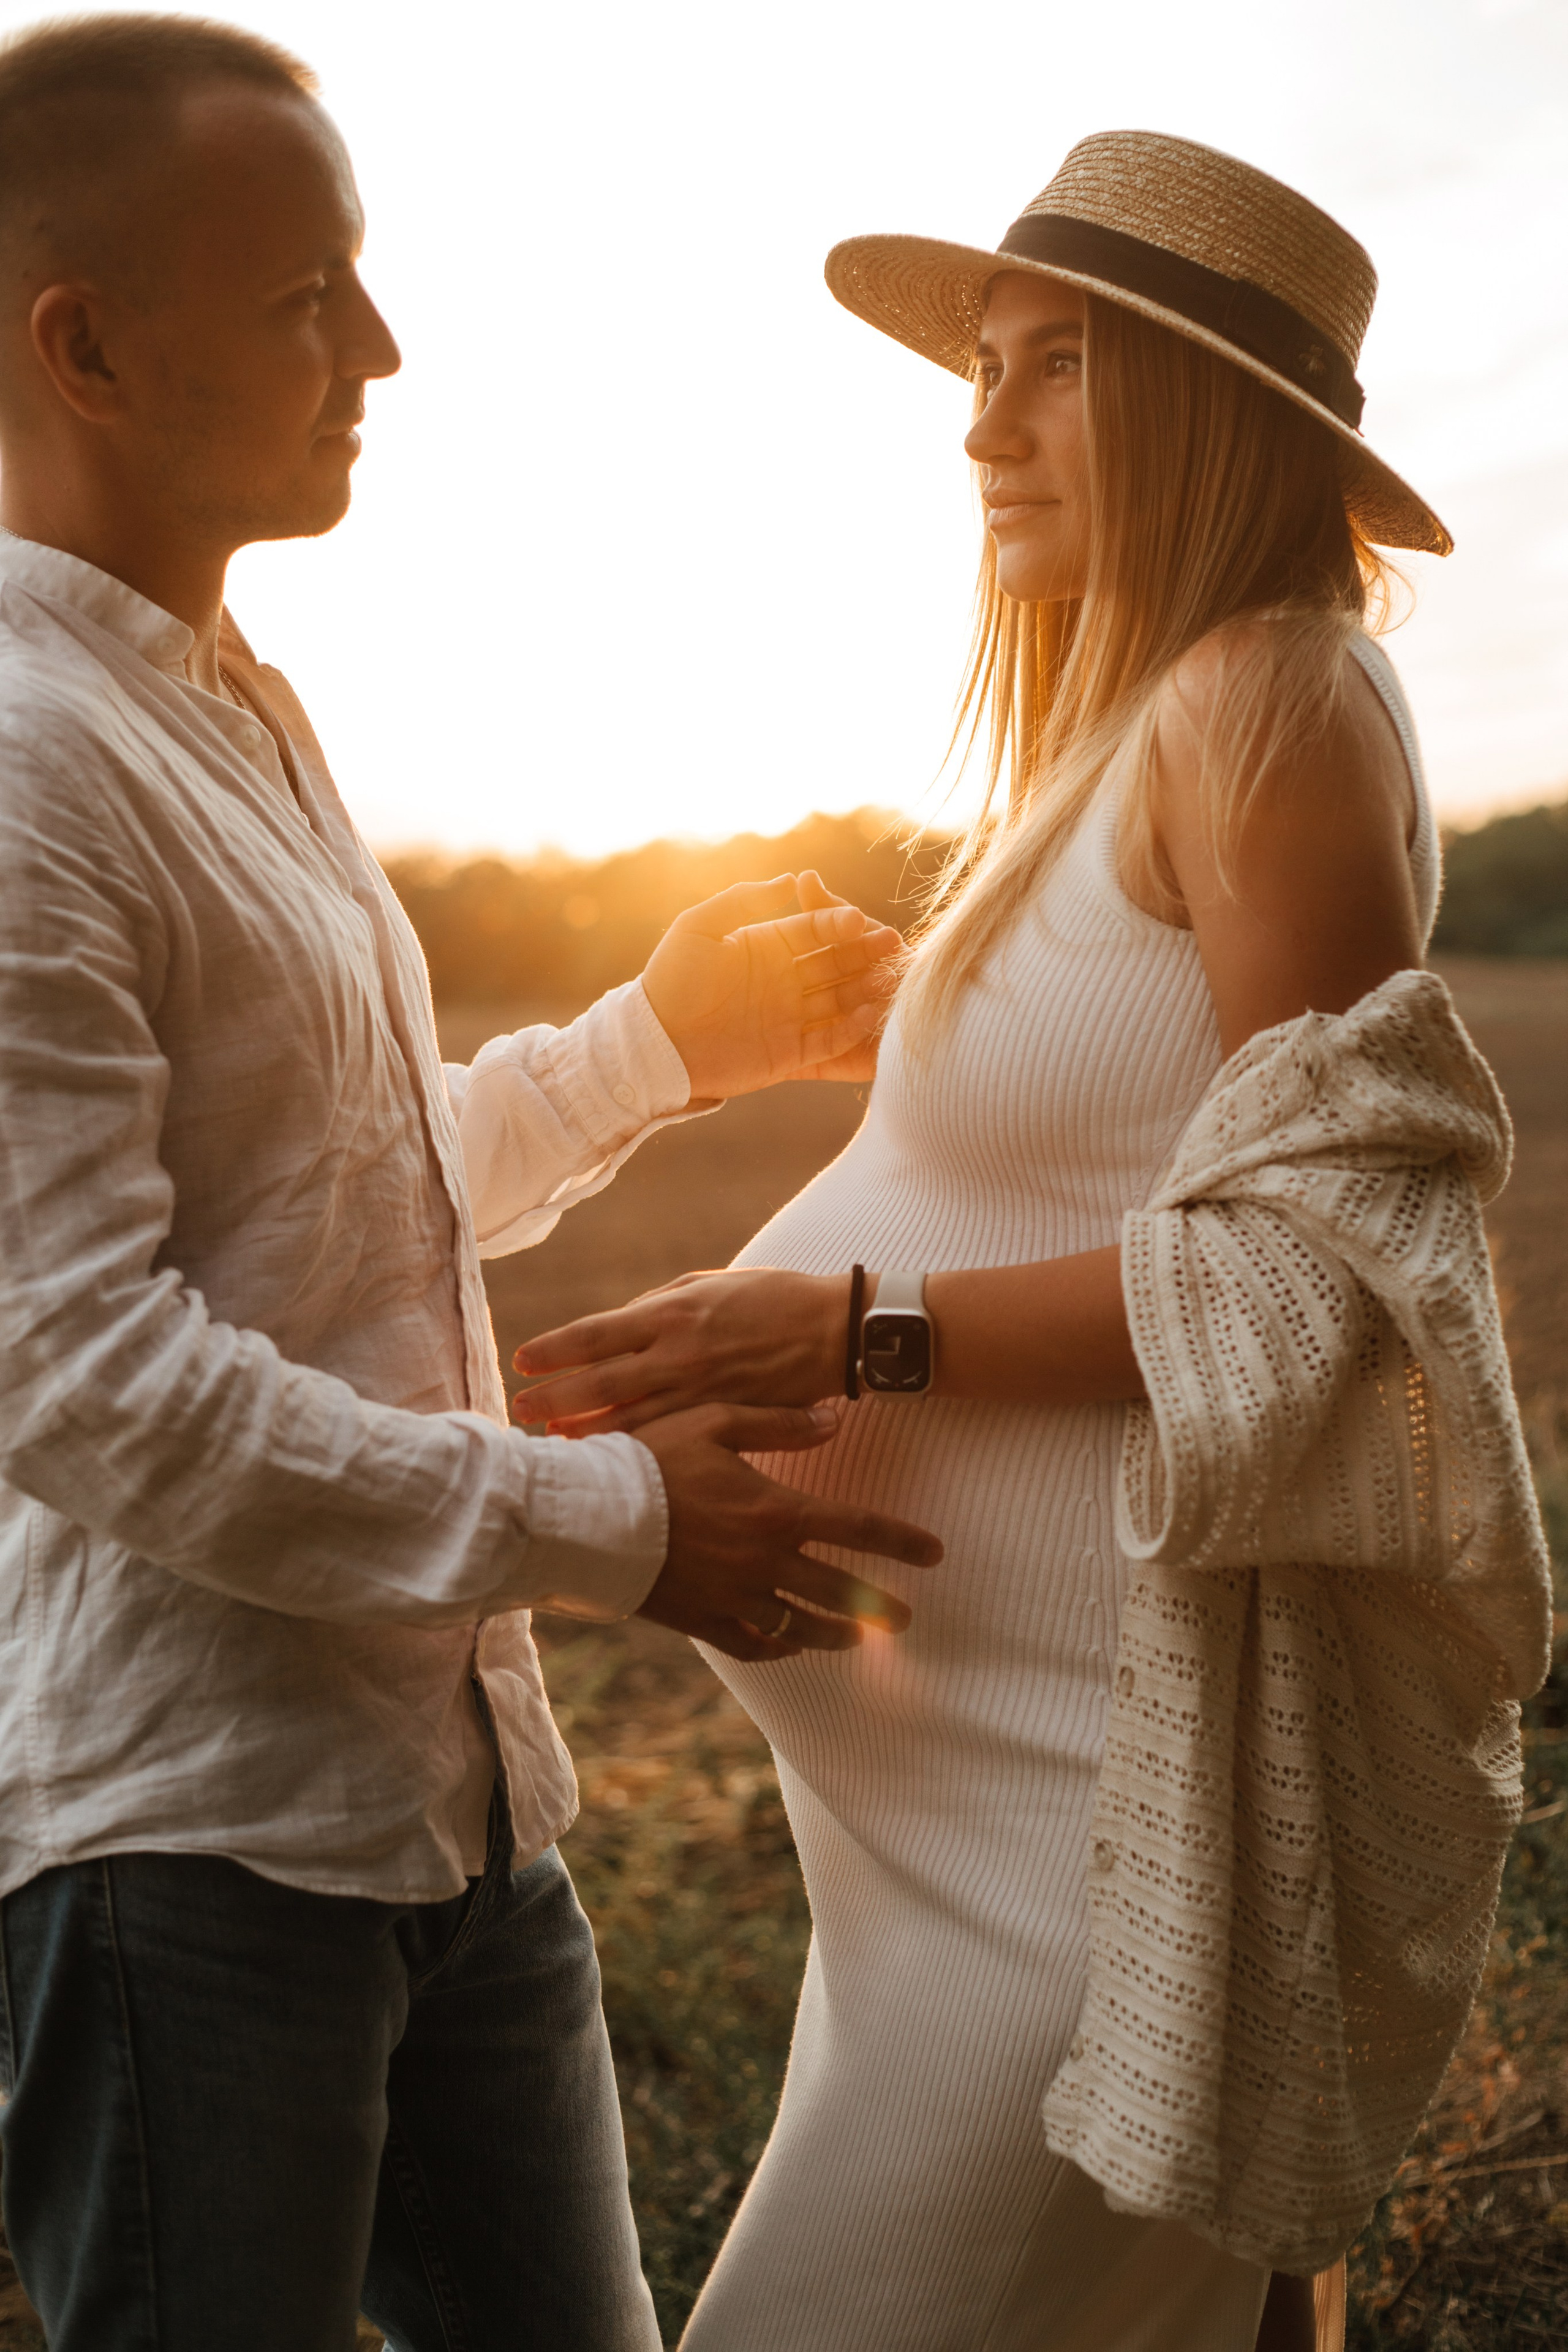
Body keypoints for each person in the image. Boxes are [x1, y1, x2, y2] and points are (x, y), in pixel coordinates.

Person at [514, 134, 1549, 2351]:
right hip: (950, 1850)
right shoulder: (1126, 731)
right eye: (982, 370)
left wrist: (846, 1333)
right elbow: (1141, 1137)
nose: (982, 428)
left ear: (1206, 410)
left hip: (1078, 1848)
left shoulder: (1273, 699)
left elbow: (1323, 1281)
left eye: (1054, 369)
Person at [0, 17, 944, 2351]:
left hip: (454, 1820)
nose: (385, 353)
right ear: (85, 343)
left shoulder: (230, 698)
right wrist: (621, 1524)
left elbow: (335, 1198)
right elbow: (90, 1382)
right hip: (189, 1853)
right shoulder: (23, 764)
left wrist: (655, 1048)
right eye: (316, 293)